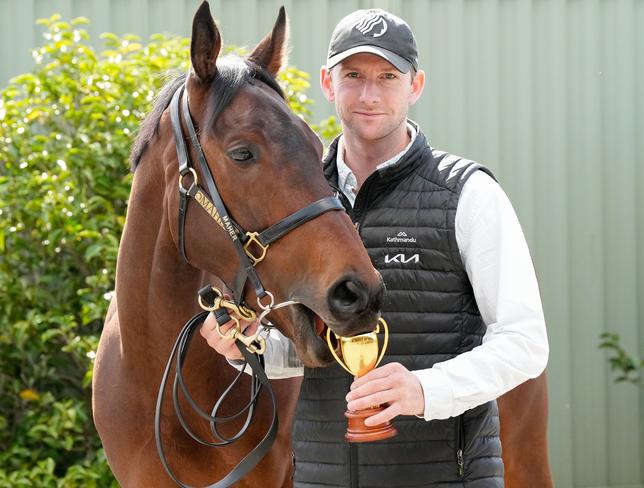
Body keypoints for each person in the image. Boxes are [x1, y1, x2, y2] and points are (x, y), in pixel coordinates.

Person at [201, 8, 548, 487]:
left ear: (416, 85)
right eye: (353, 75)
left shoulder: (468, 194)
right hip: (321, 477)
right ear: (327, 82)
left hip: (446, 477)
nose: (369, 94)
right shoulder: (295, 196)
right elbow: (313, 352)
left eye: (388, 76)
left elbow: (525, 344)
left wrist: (424, 390)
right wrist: (249, 346)